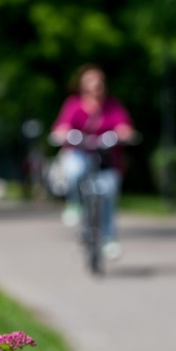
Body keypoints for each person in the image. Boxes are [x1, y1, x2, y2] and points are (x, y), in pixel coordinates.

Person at [51, 65, 135, 259]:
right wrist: (63, 134)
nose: (96, 84)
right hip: (80, 154)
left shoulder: (113, 106)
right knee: (74, 171)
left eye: (99, 80)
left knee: (108, 194)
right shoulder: (74, 105)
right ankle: (74, 204)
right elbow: (61, 127)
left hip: (106, 158)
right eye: (91, 80)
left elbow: (125, 128)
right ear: (82, 85)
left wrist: (124, 134)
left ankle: (108, 239)